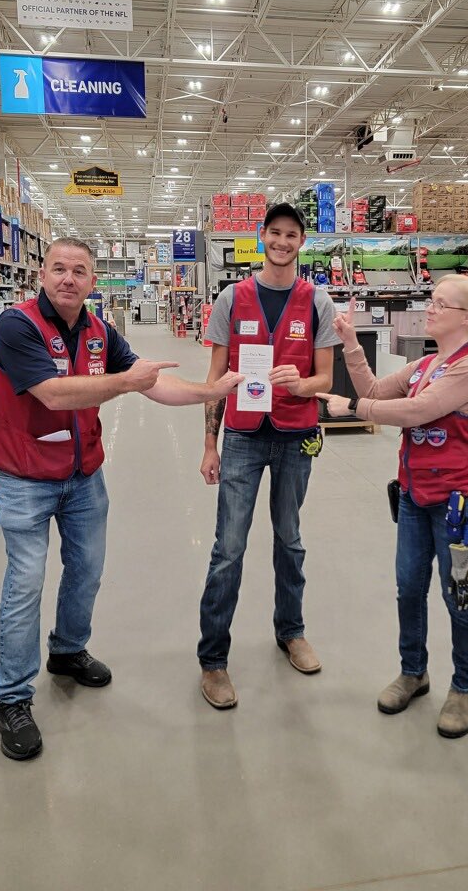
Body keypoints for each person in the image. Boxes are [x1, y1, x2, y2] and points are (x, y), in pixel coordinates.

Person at [0, 237, 241, 760]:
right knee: (25, 583)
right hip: (26, 478)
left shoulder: (101, 331)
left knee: (87, 570)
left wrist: (210, 393)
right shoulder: (16, 326)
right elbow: (53, 393)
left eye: (79, 271)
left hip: (83, 477)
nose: (68, 278)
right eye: (59, 268)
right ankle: (12, 697)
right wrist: (126, 381)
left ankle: (68, 651)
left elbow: (154, 386)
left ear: (93, 281)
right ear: (41, 274)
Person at [318, 276, 468, 738]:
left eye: (441, 303)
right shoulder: (425, 365)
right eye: (431, 300)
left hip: (460, 505)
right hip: (416, 499)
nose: (430, 308)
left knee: (460, 597)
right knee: (408, 589)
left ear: (467, 317)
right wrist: (352, 345)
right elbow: (377, 391)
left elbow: (417, 412)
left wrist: (352, 409)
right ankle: (414, 671)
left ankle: (464, 688)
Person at [197, 203, 338, 709]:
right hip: (242, 435)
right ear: (261, 237)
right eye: (274, 233)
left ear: (302, 242)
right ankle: (213, 660)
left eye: (291, 235)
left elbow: (325, 378)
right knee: (228, 548)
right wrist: (209, 444)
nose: (282, 242)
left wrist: (304, 384)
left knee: (290, 541)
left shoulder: (316, 301)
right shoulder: (232, 298)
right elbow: (215, 381)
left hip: (296, 434)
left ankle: (291, 631)